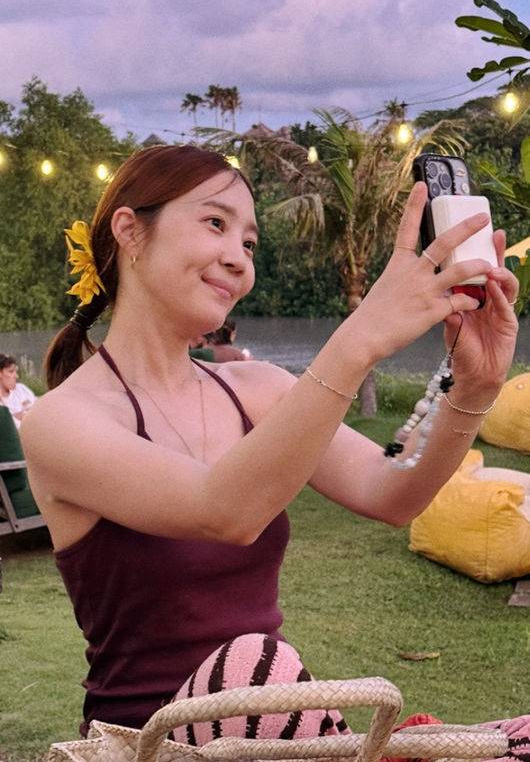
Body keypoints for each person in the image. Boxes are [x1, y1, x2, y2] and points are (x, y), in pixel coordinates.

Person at [21, 145, 519, 741]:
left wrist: (473, 387)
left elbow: (391, 491)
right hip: (149, 741)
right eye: (215, 223)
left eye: (250, 243)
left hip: (271, 725)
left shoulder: (255, 388)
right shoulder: (61, 422)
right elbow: (224, 511)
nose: (238, 258)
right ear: (130, 231)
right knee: (255, 663)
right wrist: (361, 338)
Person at [0, 354, 37, 429]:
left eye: (15, 371)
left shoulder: (21, 389)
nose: (16, 376)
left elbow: (38, 410)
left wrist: (22, 415)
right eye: (11, 371)